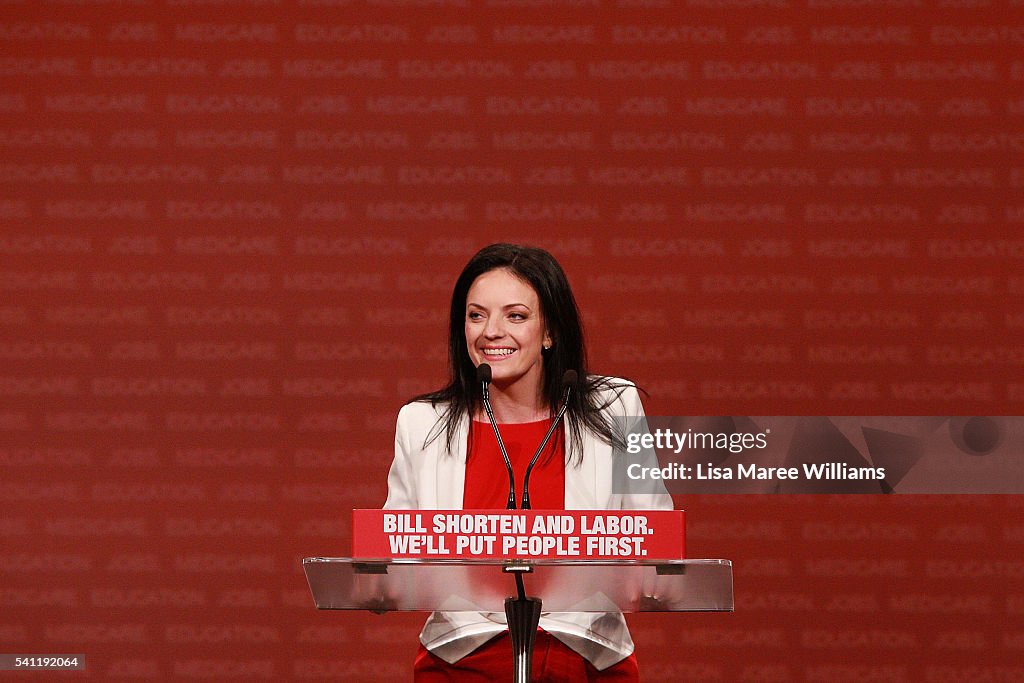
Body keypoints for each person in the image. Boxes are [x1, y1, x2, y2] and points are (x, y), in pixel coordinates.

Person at [383, 243, 671, 682]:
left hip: (585, 654)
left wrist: (650, 572)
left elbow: (655, 532)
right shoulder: (423, 422)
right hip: (462, 660)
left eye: (515, 316)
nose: (491, 331)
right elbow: (395, 546)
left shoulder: (614, 407)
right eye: (476, 315)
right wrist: (381, 579)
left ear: (549, 331)